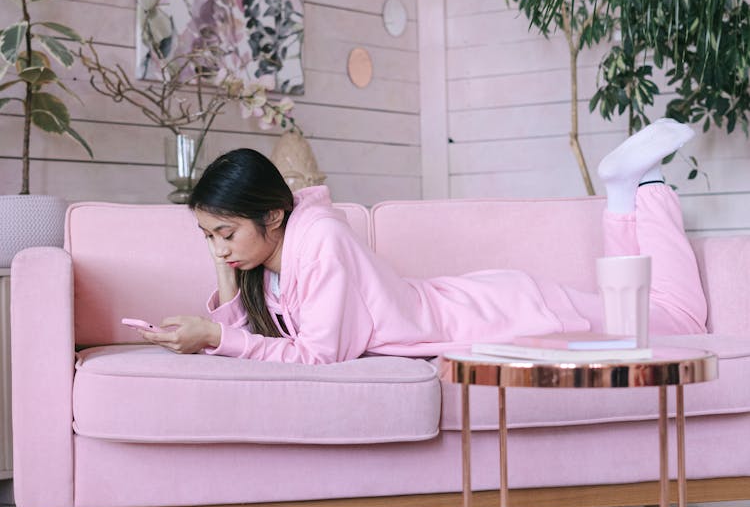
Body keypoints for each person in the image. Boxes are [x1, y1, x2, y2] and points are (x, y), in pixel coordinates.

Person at [138, 119, 708, 364]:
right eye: (207, 236)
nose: (219, 248)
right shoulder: (275, 256)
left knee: (678, 322)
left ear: (273, 217)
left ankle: (639, 187)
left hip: (504, 315)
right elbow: (255, 337)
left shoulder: (322, 241)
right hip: (486, 307)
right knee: (636, 314)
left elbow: (317, 355)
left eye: (225, 233)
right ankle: (626, 190)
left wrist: (214, 333)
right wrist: (225, 281)